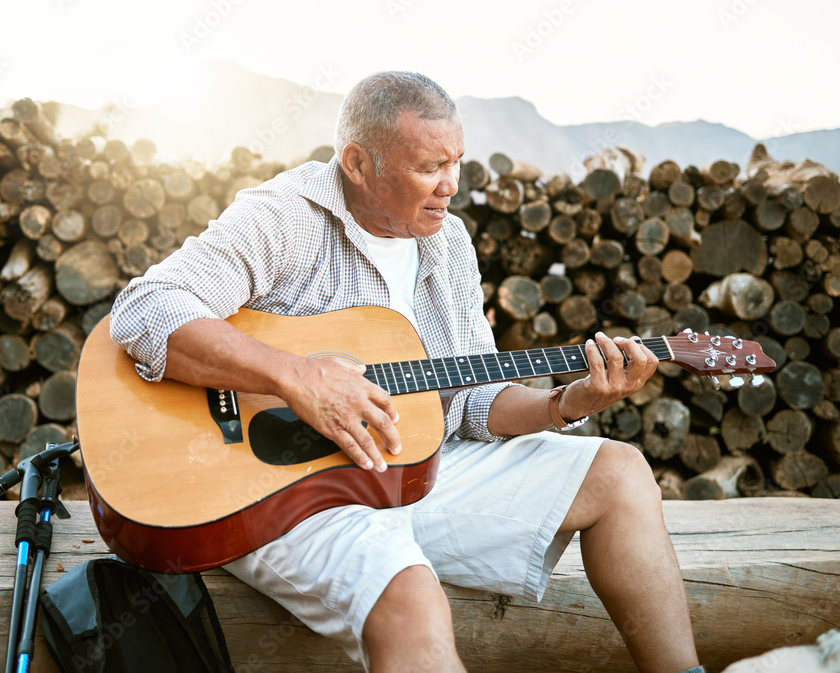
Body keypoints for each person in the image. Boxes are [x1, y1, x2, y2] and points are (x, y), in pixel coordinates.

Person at [109, 71, 703, 673]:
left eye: (457, 163)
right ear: (358, 163)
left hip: (415, 471)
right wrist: (296, 377)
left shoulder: (450, 244)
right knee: (411, 600)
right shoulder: (284, 216)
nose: (451, 186)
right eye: (429, 167)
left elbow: (474, 401)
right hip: (286, 489)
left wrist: (568, 403)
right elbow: (146, 309)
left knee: (620, 472)